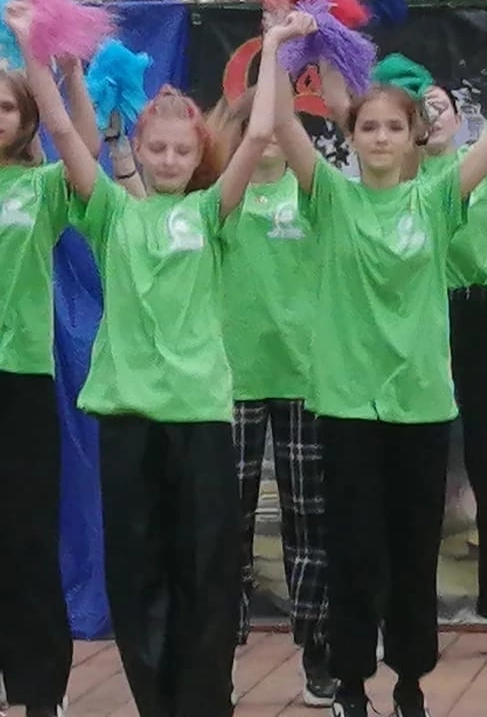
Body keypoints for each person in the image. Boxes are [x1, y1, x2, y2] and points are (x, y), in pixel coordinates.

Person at [17, 0, 314, 717]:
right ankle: (157, 703)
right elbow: (62, 130)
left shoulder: (212, 214)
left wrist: (275, 47)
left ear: (199, 154)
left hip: (200, 416)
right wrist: (39, 54)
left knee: (204, 572)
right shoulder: (110, 213)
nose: (171, 160)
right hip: (127, 418)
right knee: (138, 573)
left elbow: (261, 131)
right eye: (158, 149)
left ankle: (204, 702)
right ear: (140, 149)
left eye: (183, 150)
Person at [268, 33, 487, 717]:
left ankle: (410, 684)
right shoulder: (331, 198)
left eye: (394, 126)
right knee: (355, 552)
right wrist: (277, 45)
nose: (382, 137)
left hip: (420, 408)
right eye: (369, 127)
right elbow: (279, 124)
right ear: (351, 136)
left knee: (414, 554)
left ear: (415, 134)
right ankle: (351, 684)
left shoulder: (438, 198)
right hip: (348, 408)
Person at [208, 87, 336, 706]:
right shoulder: (218, 196)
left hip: (304, 379)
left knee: (309, 523)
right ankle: (219, 661)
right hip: (228, 383)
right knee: (222, 525)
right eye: (248, 127)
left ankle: (320, 653)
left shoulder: (313, 193)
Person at [404, 67, 487, 660]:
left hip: (480, 317)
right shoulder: (403, 179)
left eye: (440, 105)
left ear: (458, 118)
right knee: (415, 471)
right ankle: (406, 614)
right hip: (422, 319)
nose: (432, 116)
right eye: (420, 109)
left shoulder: (481, 164)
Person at [0, 51, 100, 717]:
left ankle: (40, 687)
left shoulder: (39, 190)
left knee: (27, 535)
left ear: (27, 118)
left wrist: (66, 71)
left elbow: (82, 146)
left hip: (21, 380)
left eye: (7, 106)